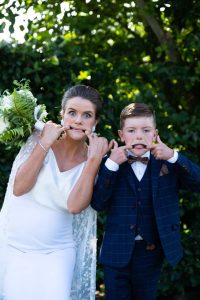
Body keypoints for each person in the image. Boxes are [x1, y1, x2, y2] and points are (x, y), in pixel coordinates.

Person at [0, 84, 110, 300]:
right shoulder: (38, 140)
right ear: (62, 115)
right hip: (14, 247)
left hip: (57, 253)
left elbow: (75, 206)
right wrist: (44, 143)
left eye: (86, 115)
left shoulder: (95, 158)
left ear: (95, 122)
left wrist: (94, 160)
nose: (78, 120)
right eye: (72, 113)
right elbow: (19, 188)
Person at [91, 102, 200, 300]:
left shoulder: (167, 161)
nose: (139, 136)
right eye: (131, 130)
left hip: (151, 252)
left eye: (146, 130)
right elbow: (98, 203)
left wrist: (175, 156)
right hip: (116, 251)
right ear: (121, 135)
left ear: (155, 134)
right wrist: (111, 165)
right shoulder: (110, 162)